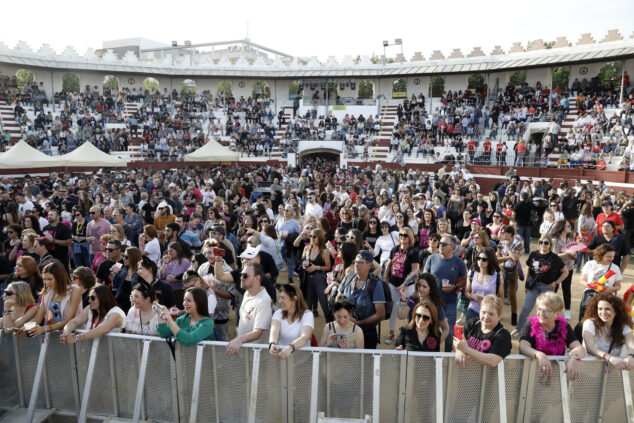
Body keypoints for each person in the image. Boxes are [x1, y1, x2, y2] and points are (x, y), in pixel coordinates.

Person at [519, 292, 585, 381]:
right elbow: (523, 346)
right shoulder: (530, 324)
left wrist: (574, 358)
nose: (541, 313)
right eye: (539, 309)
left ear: (557, 313)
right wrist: (539, 355)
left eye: (546, 310)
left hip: (555, 376)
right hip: (531, 375)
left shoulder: (563, 326)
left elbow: (579, 348)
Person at [513, 235, 568, 337]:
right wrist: (526, 284)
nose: (543, 244)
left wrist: (556, 283)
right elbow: (529, 269)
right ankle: (518, 329)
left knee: (547, 310)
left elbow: (565, 272)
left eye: (546, 243)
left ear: (550, 245)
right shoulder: (534, 254)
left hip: (547, 286)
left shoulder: (554, 257)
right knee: (526, 308)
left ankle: (548, 332)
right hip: (533, 285)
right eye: (541, 242)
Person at [424, 233, 468, 351]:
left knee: (449, 332)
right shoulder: (431, 258)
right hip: (432, 302)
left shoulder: (459, 263)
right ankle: (431, 353)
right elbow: (424, 277)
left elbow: (465, 281)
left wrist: (455, 286)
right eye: (440, 243)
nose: (440, 246)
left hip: (449, 302)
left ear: (452, 247)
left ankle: (447, 355)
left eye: (444, 244)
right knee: (430, 329)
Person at [336, 250, 386, 349]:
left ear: (369, 265)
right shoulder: (348, 278)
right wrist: (343, 316)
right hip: (345, 331)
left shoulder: (376, 284)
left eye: (360, 262)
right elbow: (338, 298)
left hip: (366, 333)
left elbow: (381, 314)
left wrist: (359, 323)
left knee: (366, 363)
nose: (356, 265)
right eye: (355, 262)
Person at [24, 260, 82, 337]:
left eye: (50, 279)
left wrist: (45, 328)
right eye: (44, 279)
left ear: (60, 278)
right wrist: (24, 328)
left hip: (71, 336)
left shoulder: (75, 290)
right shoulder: (47, 292)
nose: (46, 282)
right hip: (52, 335)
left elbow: (68, 320)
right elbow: (39, 317)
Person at [225, 262, 272, 356]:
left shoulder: (264, 301)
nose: (241, 278)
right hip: (244, 351)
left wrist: (239, 339)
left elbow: (258, 333)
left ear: (257, 278)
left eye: (245, 275)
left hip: (257, 355)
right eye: (241, 275)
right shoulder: (247, 292)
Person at [383, 227, 419, 344]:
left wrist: (404, 283)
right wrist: (385, 279)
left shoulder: (413, 251)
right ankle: (391, 332)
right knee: (392, 308)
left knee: (409, 309)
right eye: (401, 235)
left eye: (405, 235)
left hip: (407, 286)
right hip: (393, 283)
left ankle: (411, 333)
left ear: (410, 237)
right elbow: (389, 265)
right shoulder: (394, 249)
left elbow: (415, 271)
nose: (403, 237)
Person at [453, 295, 511, 368]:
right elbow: (457, 342)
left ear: (499, 316)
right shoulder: (473, 323)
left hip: (489, 377)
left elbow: (492, 361)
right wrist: (459, 351)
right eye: (483, 312)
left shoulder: (503, 334)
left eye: (491, 314)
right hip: (466, 374)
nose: (486, 317)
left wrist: (466, 349)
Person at [59, 284, 126, 345]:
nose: (89, 301)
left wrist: (76, 338)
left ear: (103, 298)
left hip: (114, 355)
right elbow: (74, 322)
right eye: (89, 298)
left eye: (93, 298)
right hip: (94, 353)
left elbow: (104, 329)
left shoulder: (116, 312)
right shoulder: (90, 309)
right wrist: (66, 333)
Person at [582, 293, 634, 370]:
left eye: (607, 309)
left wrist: (630, 356)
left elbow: (631, 345)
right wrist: (610, 358)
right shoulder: (589, 324)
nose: (603, 313)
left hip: (611, 372)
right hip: (589, 369)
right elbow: (590, 348)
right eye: (600, 309)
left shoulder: (623, 326)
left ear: (616, 311)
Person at [269, 284, 314, 359]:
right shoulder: (278, 313)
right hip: (282, 360)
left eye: (283, 298)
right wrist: (272, 343)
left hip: (303, 362)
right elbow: (274, 331)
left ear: (294, 299)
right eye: (280, 298)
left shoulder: (307, 314)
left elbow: (305, 337)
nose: (280, 301)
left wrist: (290, 348)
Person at [300, 228, 332, 319]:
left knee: (324, 304)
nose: (311, 238)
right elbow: (302, 261)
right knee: (307, 304)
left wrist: (316, 267)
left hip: (320, 279)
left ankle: (329, 325)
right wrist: (303, 265)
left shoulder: (324, 251)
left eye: (314, 237)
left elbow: (328, 267)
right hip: (307, 279)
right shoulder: (307, 248)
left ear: (320, 238)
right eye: (310, 236)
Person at [465, 248, 503, 321]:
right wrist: (472, 296)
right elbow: (466, 292)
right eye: (479, 258)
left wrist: (489, 301)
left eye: (484, 259)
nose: (480, 261)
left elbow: (501, 298)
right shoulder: (471, 274)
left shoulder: (498, 278)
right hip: (473, 309)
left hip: (489, 313)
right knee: (469, 332)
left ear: (489, 261)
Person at [550, 219, 576, 320]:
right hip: (557, 268)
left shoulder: (569, 238)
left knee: (566, 289)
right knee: (554, 288)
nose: (570, 228)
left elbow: (572, 252)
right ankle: (550, 309)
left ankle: (567, 311)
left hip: (569, 267)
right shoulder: (555, 239)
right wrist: (568, 253)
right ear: (562, 227)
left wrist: (574, 255)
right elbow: (555, 255)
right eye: (568, 226)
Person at [160, 242, 191, 308]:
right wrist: (164, 263)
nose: (169, 253)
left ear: (177, 250)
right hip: (167, 292)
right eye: (168, 251)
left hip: (179, 292)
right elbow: (162, 276)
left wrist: (176, 279)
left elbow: (189, 277)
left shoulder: (185, 261)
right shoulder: (168, 262)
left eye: (171, 251)